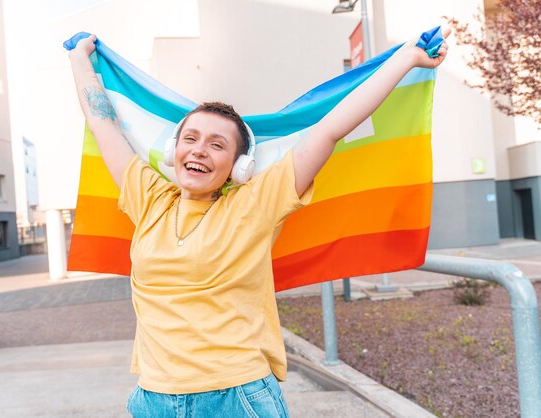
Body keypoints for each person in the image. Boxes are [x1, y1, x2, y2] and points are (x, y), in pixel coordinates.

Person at [69, 29, 449, 418]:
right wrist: (80, 59)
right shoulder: (147, 197)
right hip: (153, 398)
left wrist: (406, 59)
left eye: (217, 145)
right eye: (191, 138)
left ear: (238, 166)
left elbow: (331, 128)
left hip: (235, 399)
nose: (200, 149)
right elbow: (103, 124)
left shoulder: (255, 204)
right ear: (173, 150)